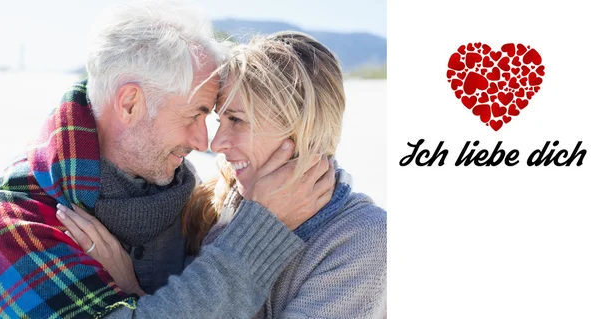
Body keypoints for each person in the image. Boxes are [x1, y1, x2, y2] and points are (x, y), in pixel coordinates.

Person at [0, 2, 333, 318]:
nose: (205, 142)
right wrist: (260, 231)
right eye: (194, 115)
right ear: (130, 103)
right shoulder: (19, 219)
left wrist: (133, 288)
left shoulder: (188, 197)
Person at [59, 31, 387, 318]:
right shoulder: (222, 203)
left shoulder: (362, 238)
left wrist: (133, 291)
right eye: (220, 119)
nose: (216, 143)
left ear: (302, 128)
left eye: (238, 121)